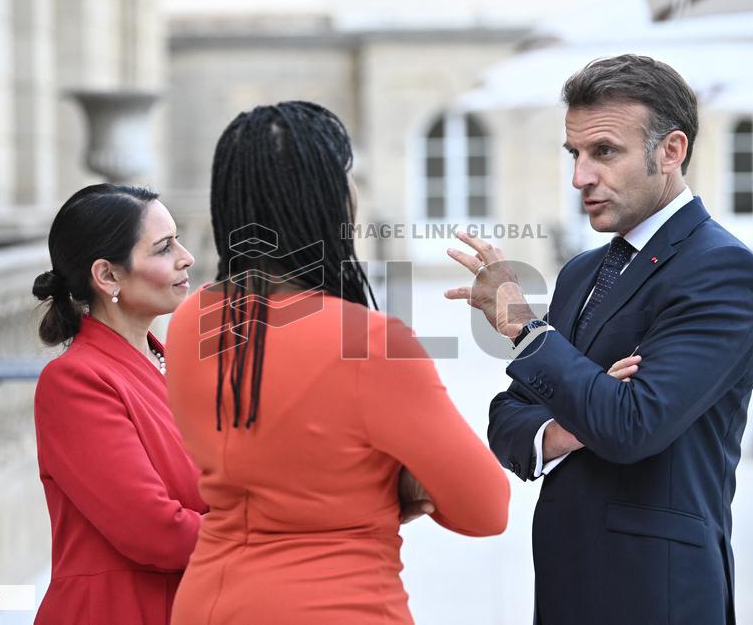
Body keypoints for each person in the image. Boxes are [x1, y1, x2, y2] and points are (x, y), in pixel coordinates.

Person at [445, 55, 753, 624]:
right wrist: (575, 424)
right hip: (566, 579)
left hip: (657, 591)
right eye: (575, 154)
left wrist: (525, 327)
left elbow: (629, 427)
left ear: (671, 151)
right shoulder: (581, 271)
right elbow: (508, 418)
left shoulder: (721, 269)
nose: (580, 177)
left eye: (605, 152)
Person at [165, 101, 510, 625]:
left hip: (208, 599)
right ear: (325, 199)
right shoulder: (367, 343)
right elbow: (487, 509)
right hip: (335, 604)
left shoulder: (194, 319)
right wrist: (397, 485)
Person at [31, 183, 208, 624]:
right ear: (108, 276)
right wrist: (274, 535)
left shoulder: (176, 366)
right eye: (164, 247)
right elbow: (155, 532)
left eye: (178, 240)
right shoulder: (74, 381)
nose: (186, 257)